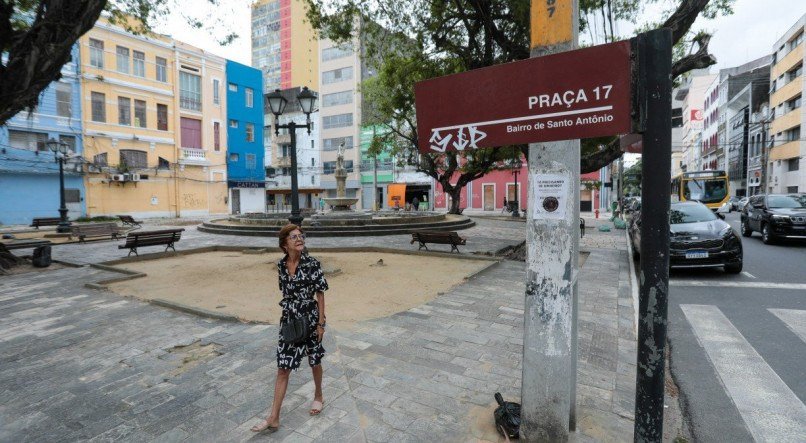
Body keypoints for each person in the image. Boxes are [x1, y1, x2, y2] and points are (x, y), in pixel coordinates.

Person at [251, 224, 329, 432]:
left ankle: (319, 395)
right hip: (289, 321)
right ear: (285, 244)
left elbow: (320, 295)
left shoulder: (313, 264)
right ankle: (273, 417)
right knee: (283, 367)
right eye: (294, 237)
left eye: (300, 236)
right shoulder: (281, 265)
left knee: (314, 360)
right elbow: (284, 292)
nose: (299, 239)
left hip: (311, 319)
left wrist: (321, 324)